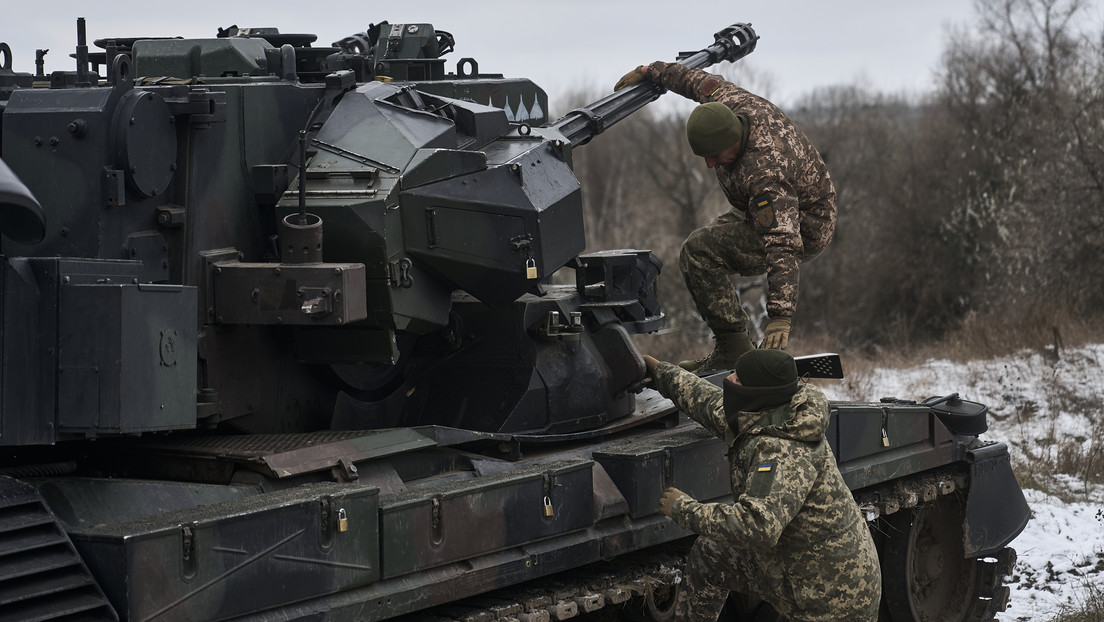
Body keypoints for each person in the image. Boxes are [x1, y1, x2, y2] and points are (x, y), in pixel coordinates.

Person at [617, 62, 837, 372]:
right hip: (767, 208)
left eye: (715, 156)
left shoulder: (765, 173)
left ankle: (732, 350)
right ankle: (734, 344)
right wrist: (650, 70)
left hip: (805, 227)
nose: (709, 165)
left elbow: (783, 243)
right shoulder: (725, 103)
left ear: (733, 141)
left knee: (699, 252)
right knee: (699, 249)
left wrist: (780, 318)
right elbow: (694, 80)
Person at [641, 349, 880, 622]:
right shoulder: (769, 414)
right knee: (710, 553)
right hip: (795, 570)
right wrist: (661, 372)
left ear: (759, 394)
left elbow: (757, 527)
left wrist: (685, 509)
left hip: (832, 600)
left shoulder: (783, 450)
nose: (729, 379)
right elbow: (706, 401)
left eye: (739, 379)